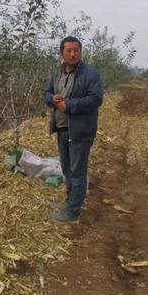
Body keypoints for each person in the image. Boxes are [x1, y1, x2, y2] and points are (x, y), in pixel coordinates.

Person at [44, 36, 103, 222]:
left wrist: (69, 105)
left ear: (81, 51)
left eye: (76, 50)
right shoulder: (57, 73)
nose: (72, 54)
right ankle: (70, 202)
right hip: (62, 128)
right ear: (62, 53)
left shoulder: (90, 74)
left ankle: (73, 212)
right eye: (68, 50)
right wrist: (51, 99)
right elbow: (47, 92)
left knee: (78, 172)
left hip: (80, 131)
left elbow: (96, 99)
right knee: (67, 170)